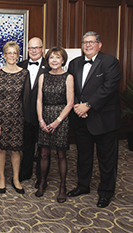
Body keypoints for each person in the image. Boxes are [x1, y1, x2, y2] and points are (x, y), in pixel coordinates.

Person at [67, 31, 121, 208]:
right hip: (81, 119)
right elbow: (70, 88)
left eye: (91, 42)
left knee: (106, 159)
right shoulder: (74, 63)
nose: (87, 45)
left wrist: (87, 106)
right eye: (84, 42)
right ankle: (83, 186)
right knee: (83, 156)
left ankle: (105, 192)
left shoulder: (110, 62)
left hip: (104, 120)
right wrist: (77, 107)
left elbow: (109, 88)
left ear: (99, 44)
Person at [35, 47, 74, 203]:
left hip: (61, 118)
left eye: (57, 57)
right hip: (44, 116)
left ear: (63, 60)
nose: (54, 60)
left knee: (61, 154)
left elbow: (70, 103)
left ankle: (63, 186)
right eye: (51, 58)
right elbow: (39, 100)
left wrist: (57, 121)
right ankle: (43, 182)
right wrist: (41, 120)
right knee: (43, 153)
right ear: (48, 60)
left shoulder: (68, 77)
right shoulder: (43, 77)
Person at [0, 41, 30, 194]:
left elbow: (26, 99)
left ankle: (15, 178)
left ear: (18, 55)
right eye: (9, 53)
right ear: (4, 55)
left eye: (14, 53)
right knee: (1, 149)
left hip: (17, 119)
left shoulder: (24, 74)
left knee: (15, 150)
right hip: (0, 118)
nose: (12, 56)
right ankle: (1, 178)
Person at [18, 37, 50, 188]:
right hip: (25, 114)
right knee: (27, 145)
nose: (34, 51)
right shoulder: (20, 66)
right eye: (31, 48)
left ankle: (41, 178)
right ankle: (25, 173)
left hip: (44, 114)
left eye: (37, 48)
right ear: (27, 49)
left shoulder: (50, 65)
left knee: (43, 149)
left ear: (42, 49)